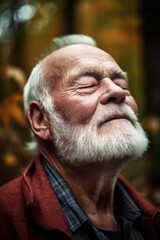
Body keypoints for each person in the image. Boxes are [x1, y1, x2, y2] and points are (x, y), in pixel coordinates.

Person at [0, 34, 160, 240]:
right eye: (87, 84)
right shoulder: (6, 220)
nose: (116, 91)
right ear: (41, 119)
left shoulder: (151, 223)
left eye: (122, 83)